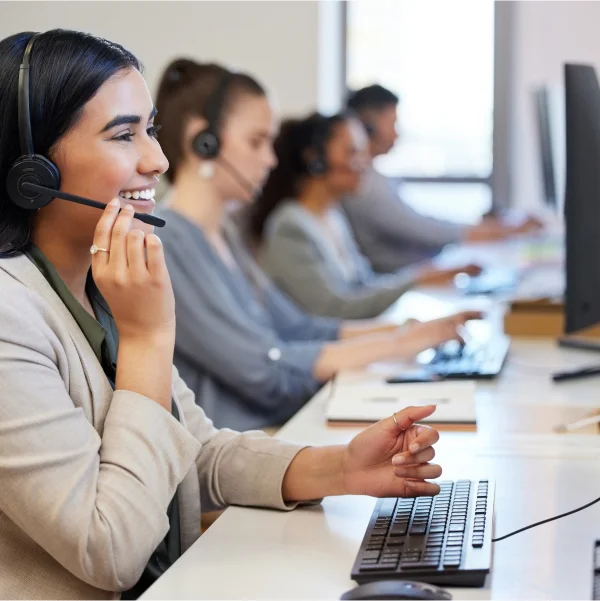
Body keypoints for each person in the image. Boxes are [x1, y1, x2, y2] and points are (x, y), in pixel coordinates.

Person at [0, 30, 447, 601]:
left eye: (152, 130)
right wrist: (148, 339)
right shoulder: (13, 317)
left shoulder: (103, 285)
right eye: (123, 135)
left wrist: (341, 470)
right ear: (34, 171)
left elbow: (195, 452)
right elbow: (110, 549)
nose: (157, 160)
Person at [152, 59, 480, 431]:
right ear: (203, 141)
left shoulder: (223, 233)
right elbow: (263, 370)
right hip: (245, 444)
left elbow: (299, 328)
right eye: (257, 142)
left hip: (282, 424)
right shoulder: (169, 243)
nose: (270, 159)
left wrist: (405, 331)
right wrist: (396, 345)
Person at [245, 111, 481, 319]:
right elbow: (334, 309)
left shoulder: (332, 214)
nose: (365, 162)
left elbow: (363, 285)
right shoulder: (291, 226)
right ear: (315, 159)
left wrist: (424, 277)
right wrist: (415, 281)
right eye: (353, 152)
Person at [342, 84, 544, 273]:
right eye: (392, 124)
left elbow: (422, 222)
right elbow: (423, 230)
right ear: (367, 125)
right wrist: (501, 231)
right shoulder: (364, 185)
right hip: (406, 279)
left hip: (419, 273)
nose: (397, 135)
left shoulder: (374, 178)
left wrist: (489, 229)